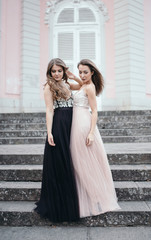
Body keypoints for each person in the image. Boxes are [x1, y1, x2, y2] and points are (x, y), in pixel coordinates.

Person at [67, 59, 120, 218]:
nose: (82, 75)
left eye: (85, 72)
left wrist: (91, 133)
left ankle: (95, 197)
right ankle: (90, 195)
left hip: (83, 124)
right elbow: (73, 86)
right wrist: (70, 77)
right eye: (80, 71)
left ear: (92, 73)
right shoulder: (83, 85)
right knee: (79, 161)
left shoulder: (90, 88)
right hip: (75, 123)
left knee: (84, 161)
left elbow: (95, 111)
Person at [34, 58, 81, 222]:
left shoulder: (67, 84)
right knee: (61, 160)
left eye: (59, 71)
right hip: (60, 123)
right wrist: (49, 132)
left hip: (72, 122)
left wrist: (74, 76)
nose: (56, 74)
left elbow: (83, 86)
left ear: (63, 71)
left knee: (71, 157)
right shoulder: (49, 86)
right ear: (49, 72)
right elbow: (49, 110)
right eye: (53, 71)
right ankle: (59, 204)